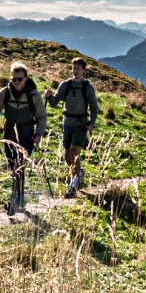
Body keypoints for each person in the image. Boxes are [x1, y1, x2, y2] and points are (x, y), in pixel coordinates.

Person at [0, 62, 46, 215]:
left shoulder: (34, 95)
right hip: (9, 134)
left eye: (20, 79)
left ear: (26, 78)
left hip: (27, 134)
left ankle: (14, 201)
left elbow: (42, 116)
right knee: (14, 166)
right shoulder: (4, 93)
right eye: (14, 79)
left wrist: (39, 134)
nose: (17, 83)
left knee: (20, 166)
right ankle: (20, 198)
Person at [46, 57, 100, 198]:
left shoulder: (88, 87)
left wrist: (91, 122)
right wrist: (49, 97)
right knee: (67, 157)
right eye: (73, 68)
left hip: (81, 124)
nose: (75, 71)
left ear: (83, 70)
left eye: (78, 68)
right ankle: (79, 173)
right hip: (67, 123)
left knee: (75, 154)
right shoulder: (65, 85)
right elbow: (54, 103)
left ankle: (72, 187)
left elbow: (94, 108)